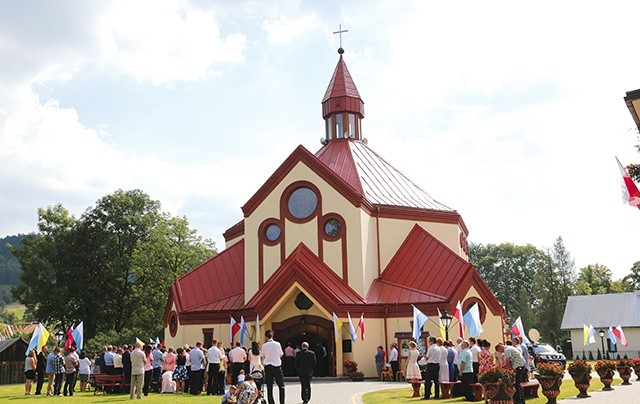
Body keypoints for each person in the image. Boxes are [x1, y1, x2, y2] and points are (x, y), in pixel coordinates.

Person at [262, 329, 285, 404]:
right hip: (277, 365)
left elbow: (263, 355)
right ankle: (282, 402)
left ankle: (271, 402)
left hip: (268, 366)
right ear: (273, 335)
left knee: (269, 386)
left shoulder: (264, 346)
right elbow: (281, 354)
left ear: (266, 337)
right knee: (281, 385)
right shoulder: (277, 344)